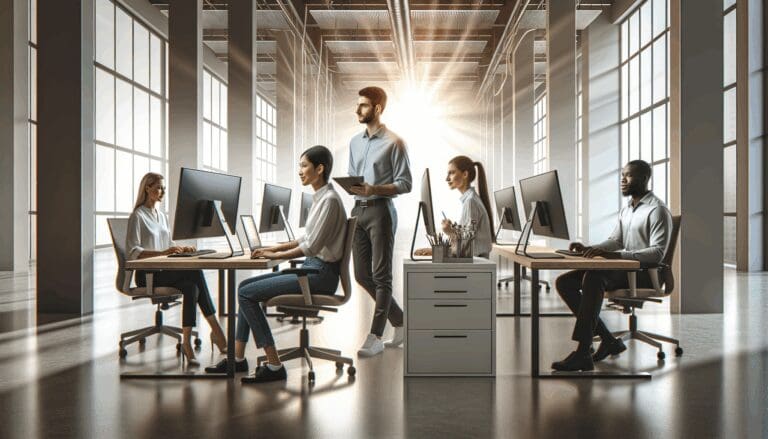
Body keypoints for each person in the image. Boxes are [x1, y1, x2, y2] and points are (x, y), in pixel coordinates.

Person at [206, 145, 347, 383]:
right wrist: (274, 249)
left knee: (247, 293)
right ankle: (237, 360)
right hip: (314, 269)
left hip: (320, 274)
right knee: (245, 288)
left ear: (319, 168)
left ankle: (273, 365)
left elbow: (311, 248)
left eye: (304, 166)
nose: (300, 171)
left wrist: (280, 255)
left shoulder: (330, 201)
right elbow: (305, 239)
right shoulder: (322, 198)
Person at [552, 160, 672, 372]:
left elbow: (657, 253)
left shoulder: (657, 210)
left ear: (644, 179)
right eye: (622, 175)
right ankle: (608, 340)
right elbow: (615, 240)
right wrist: (591, 248)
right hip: (624, 269)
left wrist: (613, 255)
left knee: (594, 277)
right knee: (565, 282)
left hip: (645, 273)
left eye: (629, 176)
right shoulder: (628, 209)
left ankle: (583, 352)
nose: (622, 180)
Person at [126, 172, 228, 365]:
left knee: (191, 287)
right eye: (158, 187)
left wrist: (181, 248)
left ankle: (187, 343)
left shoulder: (161, 215)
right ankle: (217, 330)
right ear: (147, 188)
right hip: (147, 275)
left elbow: (168, 242)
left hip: (165, 271)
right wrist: (164, 251)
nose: (162, 191)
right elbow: (133, 252)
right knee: (195, 272)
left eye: (163, 188)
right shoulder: (137, 216)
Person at [348, 86, 412, 357]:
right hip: (357, 211)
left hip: (381, 212)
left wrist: (375, 189)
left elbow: (405, 183)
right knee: (362, 275)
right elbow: (353, 177)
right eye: (358, 105)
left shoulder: (394, 142)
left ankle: (375, 336)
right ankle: (401, 321)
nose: (358, 110)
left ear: (377, 108)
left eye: (363, 105)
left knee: (381, 275)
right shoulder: (355, 142)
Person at [414, 156, 494, 258]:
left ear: (465, 174)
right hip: (476, 261)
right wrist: (454, 231)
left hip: (476, 264)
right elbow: (466, 241)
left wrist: (450, 233)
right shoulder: (470, 200)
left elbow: (467, 248)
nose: (447, 178)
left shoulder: (470, 202)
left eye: (451, 173)